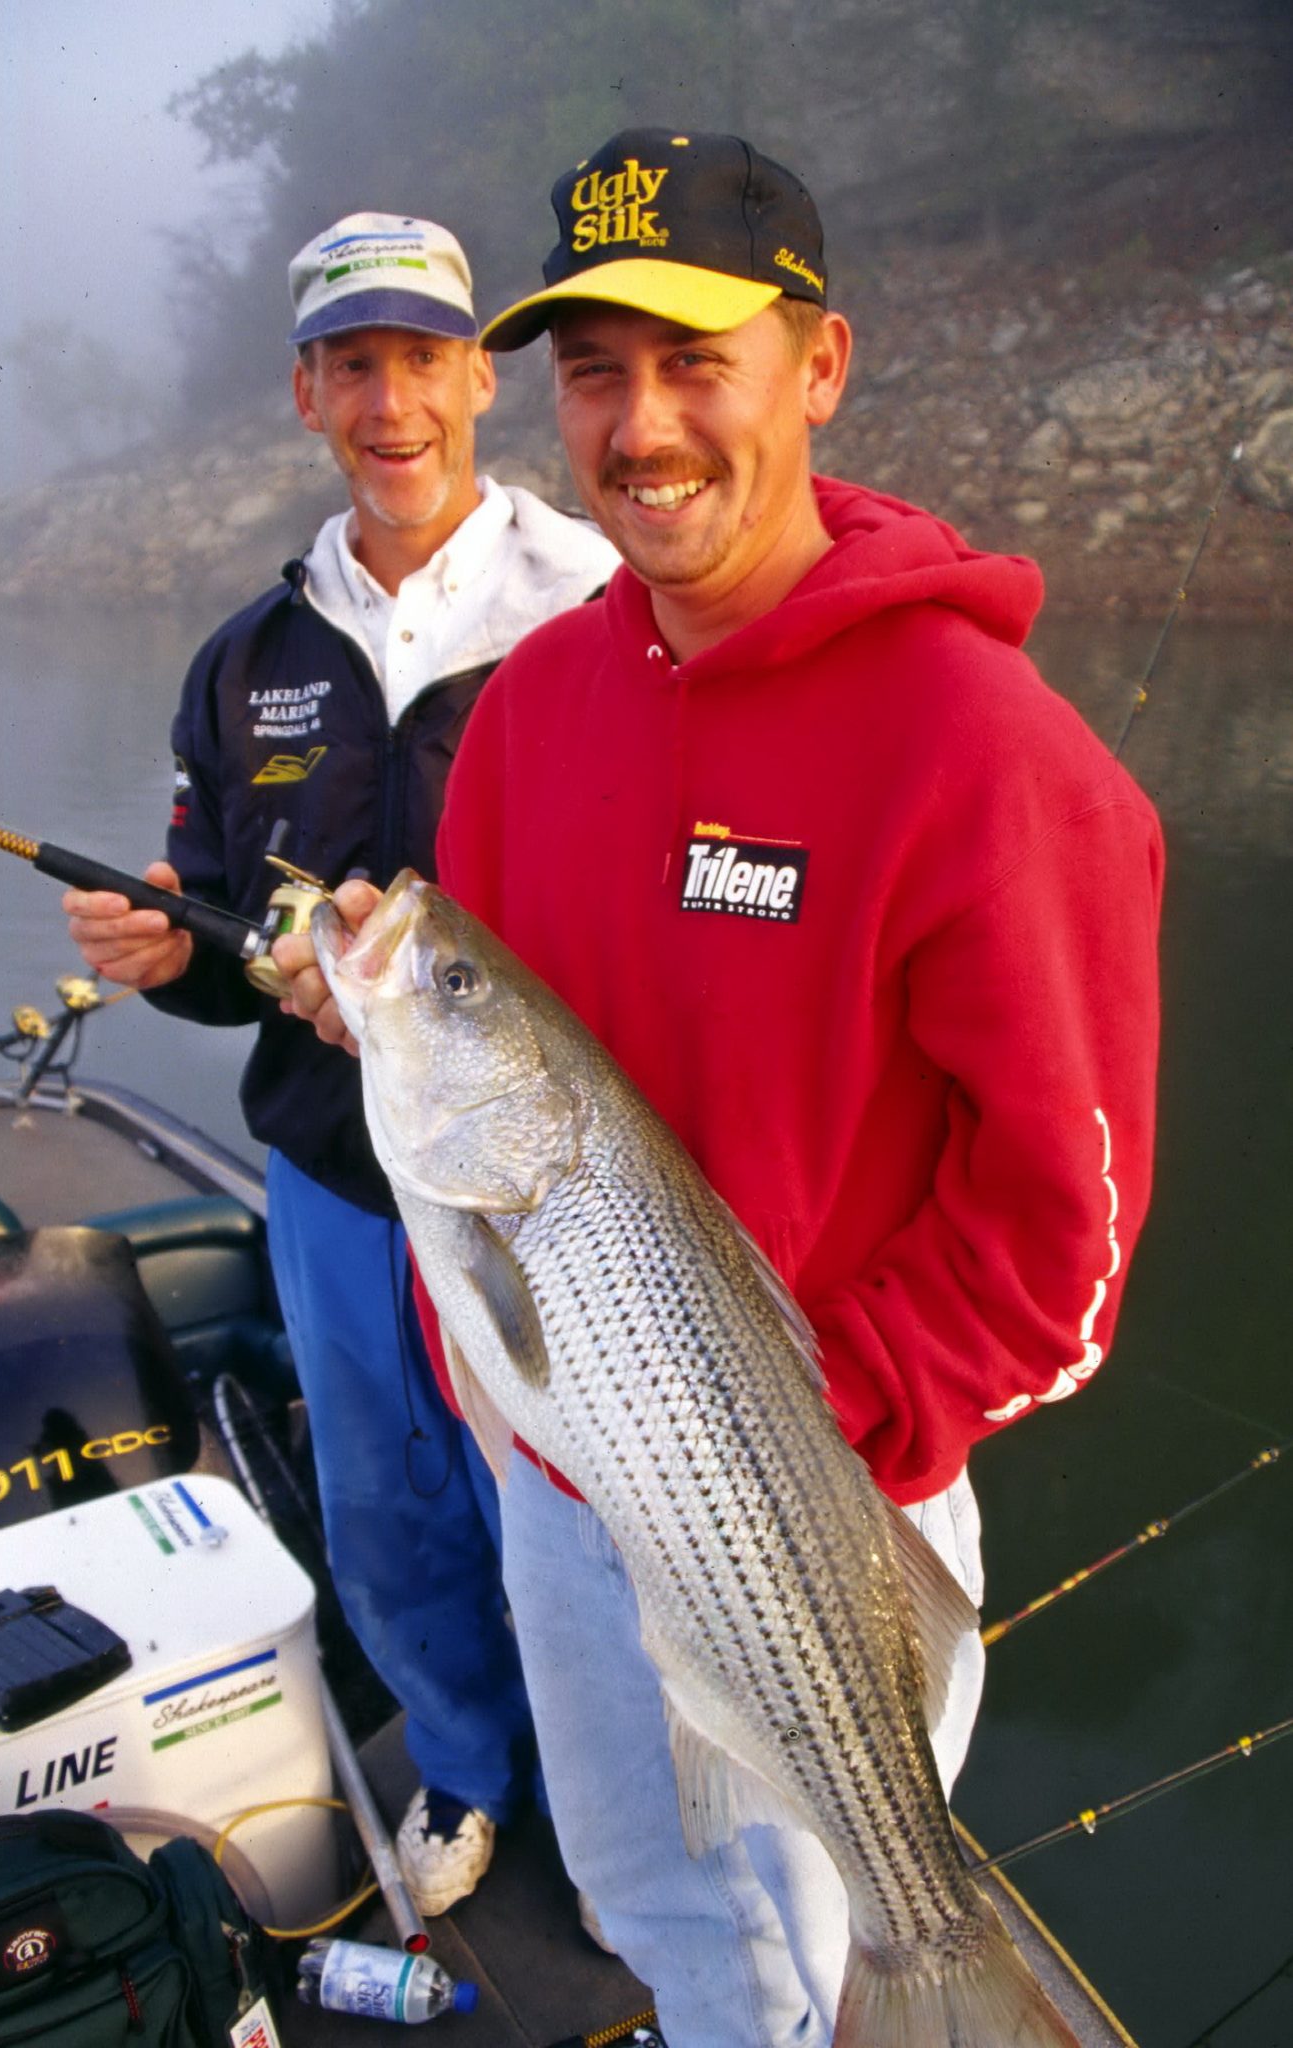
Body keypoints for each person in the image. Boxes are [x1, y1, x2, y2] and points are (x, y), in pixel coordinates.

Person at [285, 132, 1163, 2044]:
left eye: (699, 359)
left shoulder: (993, 757)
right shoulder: (530, 712)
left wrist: (771, 1417)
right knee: (657, 1912)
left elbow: (1059, 1249)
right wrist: (391, 1015)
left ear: (820, 364)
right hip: (558, 1466)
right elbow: (515, 1051)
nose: (641, 424)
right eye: (595, 369)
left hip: (815, 1499)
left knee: (846, 1941)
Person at [61, 210, 619, 1917]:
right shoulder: (245, 660)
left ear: (481, 381)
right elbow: (233, 941)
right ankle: (461, 1766)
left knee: (579, 1517)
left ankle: (613, 1823)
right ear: (308, 391)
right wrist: (176, 959)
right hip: (332, 1181)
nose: (394, 404)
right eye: (354, 365)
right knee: (384, 1502)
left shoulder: (596, 613)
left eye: (425, 362)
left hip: (552, 1188)